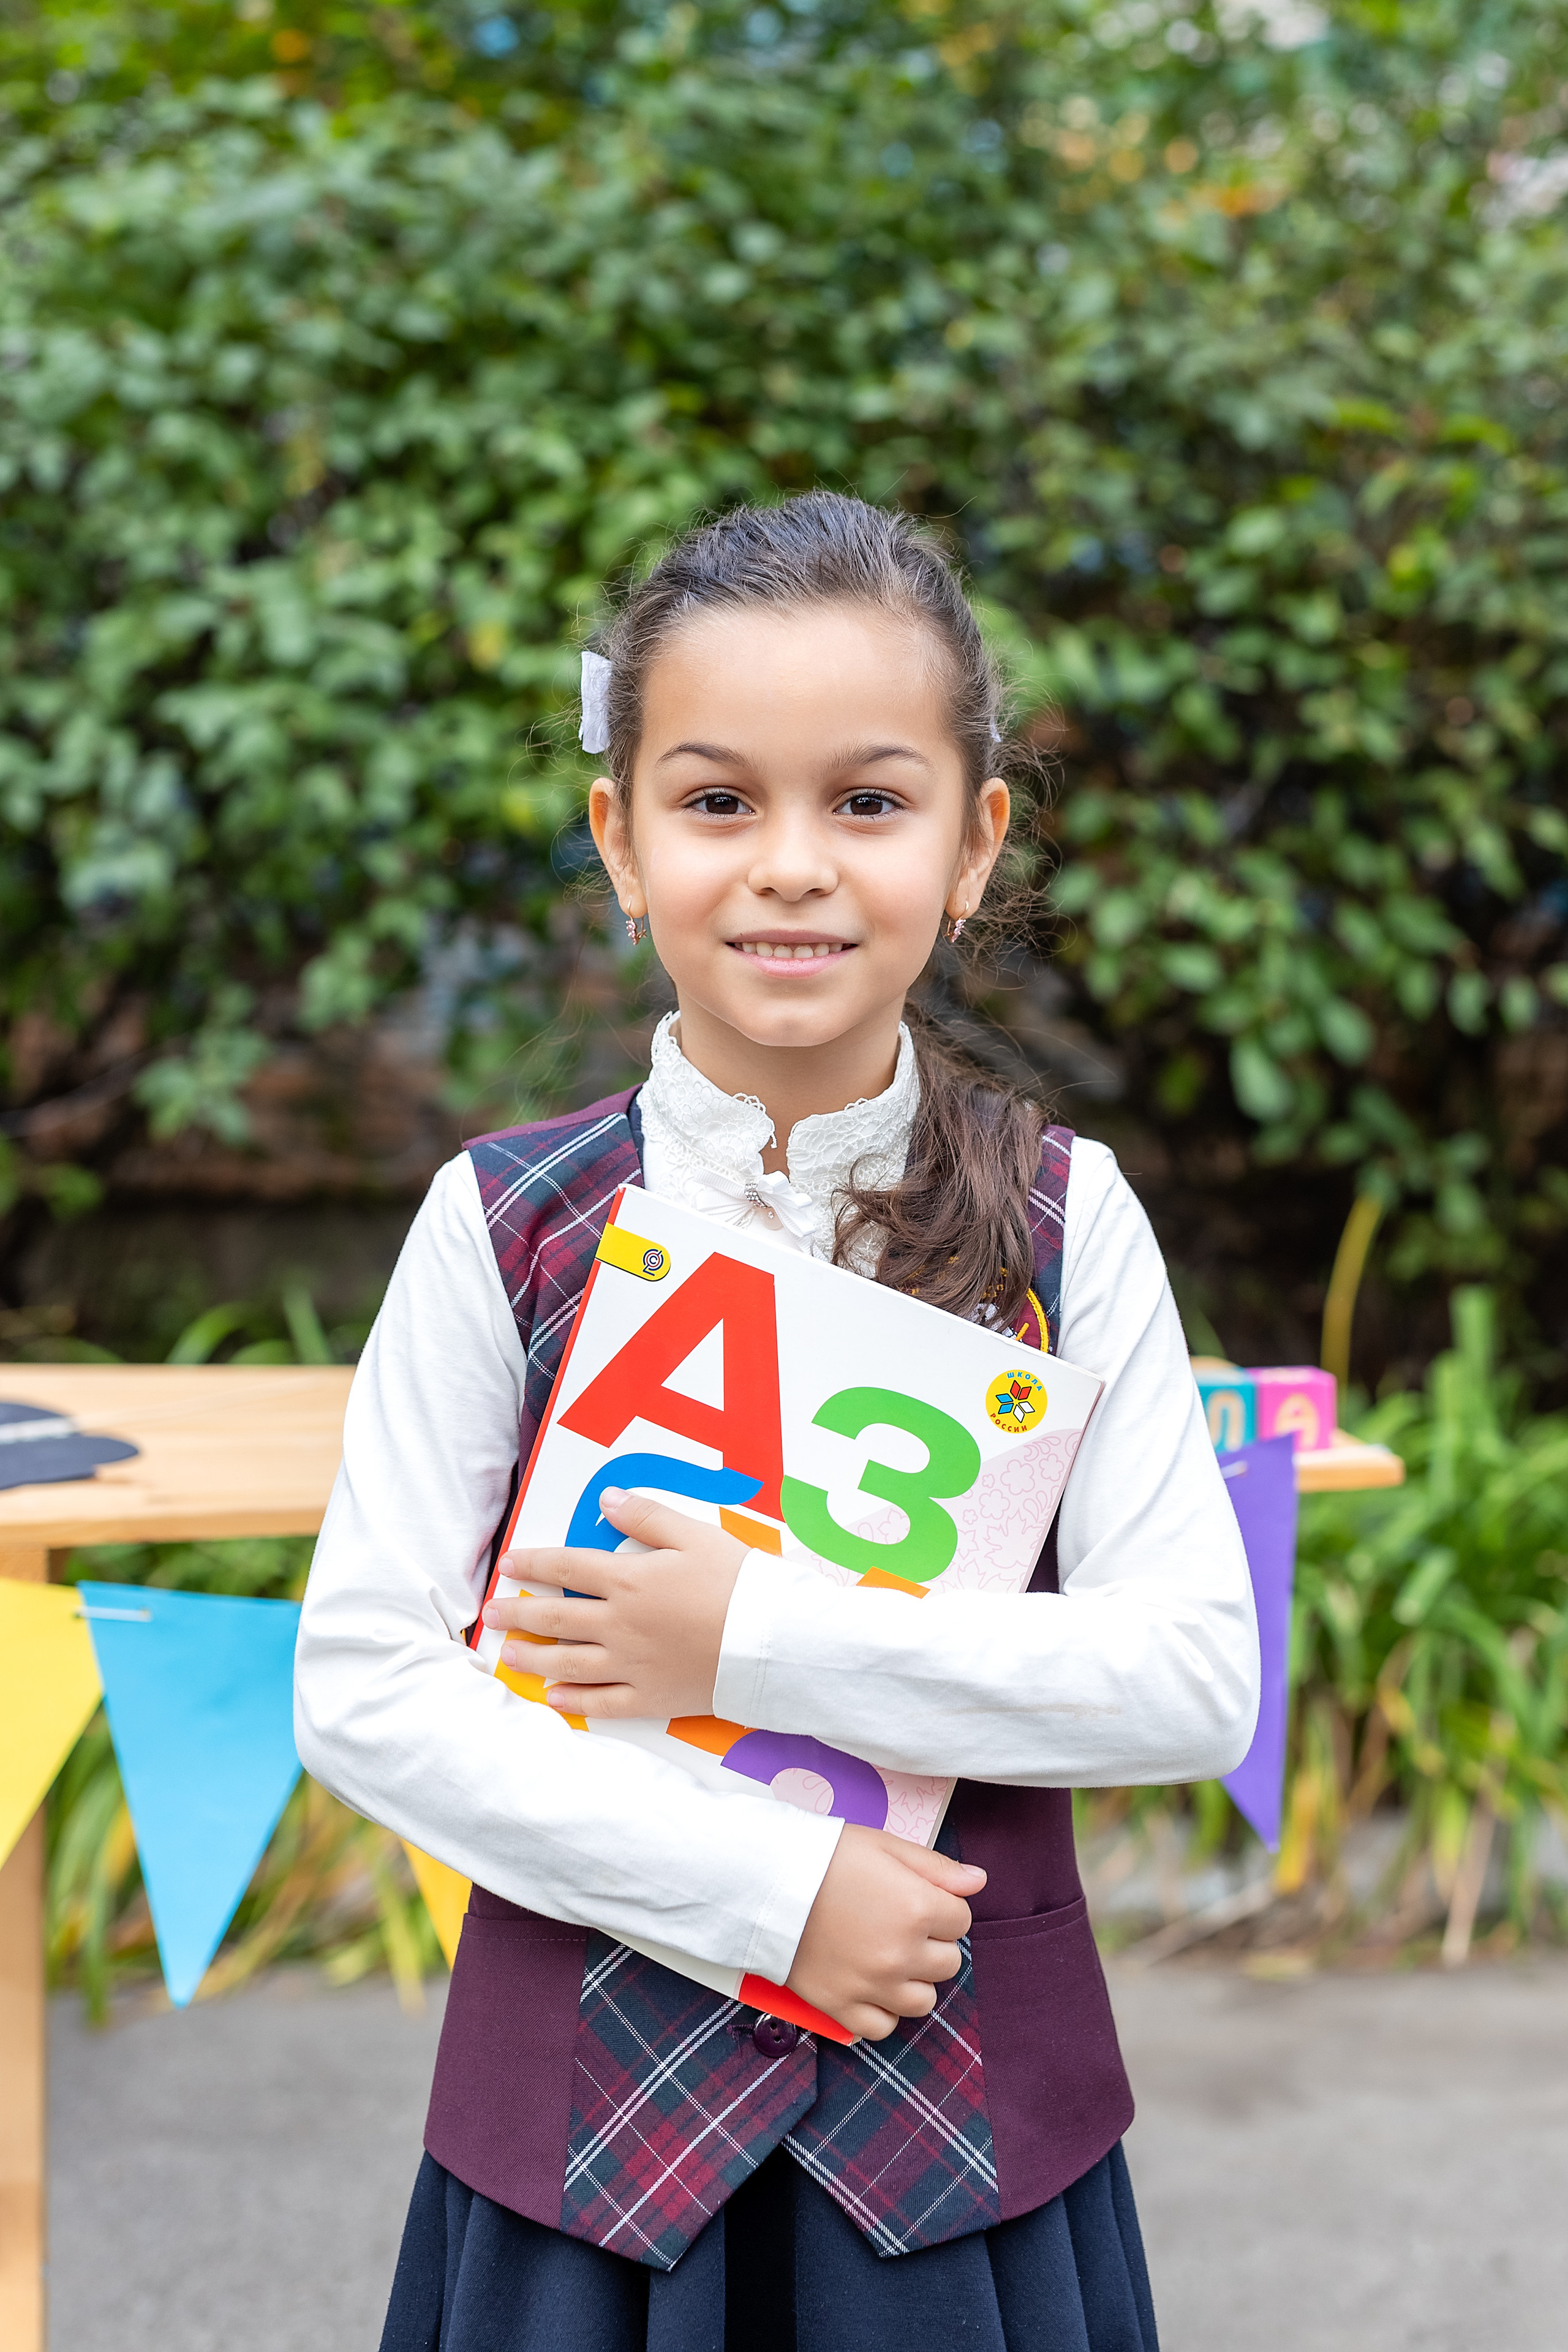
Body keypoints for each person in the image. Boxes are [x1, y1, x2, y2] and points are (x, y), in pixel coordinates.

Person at [294, 491, 1260, 2352]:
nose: (793, 865)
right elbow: (364, 1679)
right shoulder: (504, 1223)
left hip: (961, 2151)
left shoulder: (1070, 1219)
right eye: (720, 801)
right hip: (586, 2150)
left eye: (870, 803)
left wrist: (746, 1632)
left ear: (975, 848)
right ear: (621, 839)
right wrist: (769, 1889)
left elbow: (1196, 1676)